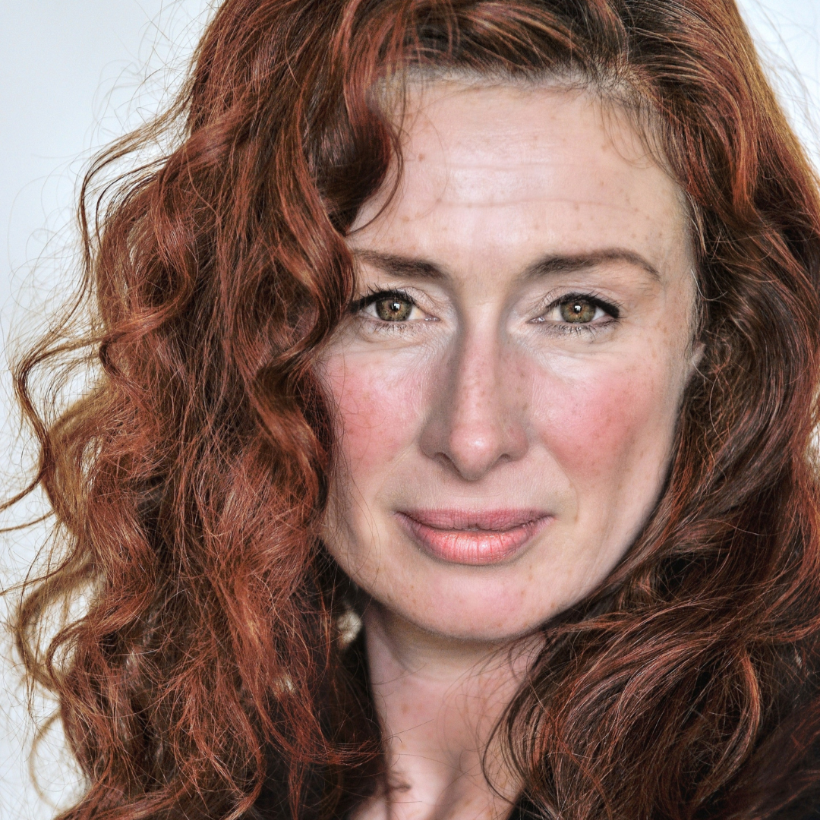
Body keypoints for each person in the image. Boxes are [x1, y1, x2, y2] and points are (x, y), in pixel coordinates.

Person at [7, 0, 820, 818]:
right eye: (388, 307)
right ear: (256, 336)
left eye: (578, 310)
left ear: (715, 334)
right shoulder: (216, 790)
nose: (473, 437)